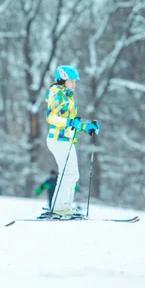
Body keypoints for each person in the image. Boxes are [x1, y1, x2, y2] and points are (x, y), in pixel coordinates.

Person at [43, 65, 100, 216]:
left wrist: (87, 127)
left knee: (73, 174)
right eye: (71, 81)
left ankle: (66, 205)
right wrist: (69, 123)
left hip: (67, 139)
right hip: (57, 138)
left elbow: (72, 121)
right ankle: (59, 207)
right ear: (62, 80)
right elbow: (51, 117)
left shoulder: (68, 97)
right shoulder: (57, 94)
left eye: (75, 81)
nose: (74, 84)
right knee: (67, 173)